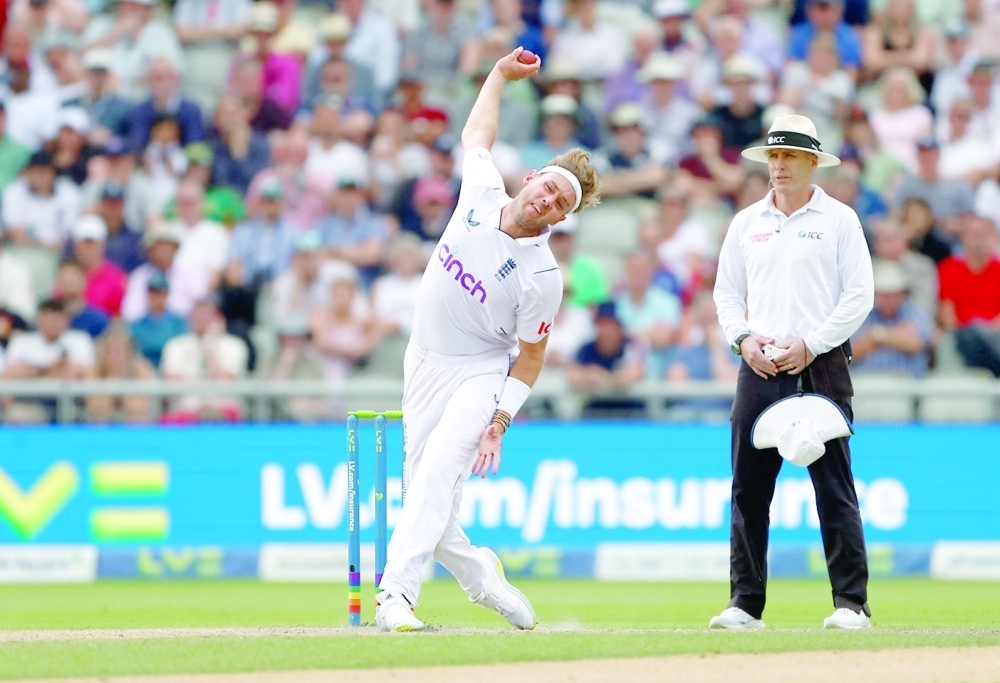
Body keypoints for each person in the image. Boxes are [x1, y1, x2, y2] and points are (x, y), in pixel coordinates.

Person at [375, 47, 600, 633]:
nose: (546, 201)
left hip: (481, 372)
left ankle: (394, 596)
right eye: (547, 187)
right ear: (531, 179)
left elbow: (530, 358)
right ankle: (484, 580)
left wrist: (498, 422)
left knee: (436, 475)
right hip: (422, 362)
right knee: (434, 500)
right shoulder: (481, 191)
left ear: (560, 219)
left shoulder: (542, 277)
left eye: (559, 204)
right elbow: (478, 132)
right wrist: (499, 74)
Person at [712, 114, 874, 630]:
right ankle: (744, 605)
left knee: (833, 488)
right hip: (758, 368)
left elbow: (859, 296)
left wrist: (812, 343)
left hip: (821, 364)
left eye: (789, 158)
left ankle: (851, 605)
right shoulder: (746, 223)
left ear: (811, 163)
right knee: (748, 490)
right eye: (773, 157)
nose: (778, 166)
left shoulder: (839, 219)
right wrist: (743, 340)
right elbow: (726, 296)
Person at [938, 214, 1000, 376]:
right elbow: (947, 314)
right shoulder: (948, 269)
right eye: (973, 235)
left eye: (983, 235)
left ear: (992, 237)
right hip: (962, 335)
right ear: (963, 238)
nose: (978, 241)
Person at [851, 259, 933, 377]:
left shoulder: (916, 313)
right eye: (883, 294)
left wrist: (875, 336)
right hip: (867, 385)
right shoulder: (861, 315)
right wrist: (897, 335)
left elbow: (915, 344)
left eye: (893, 293)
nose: (888, 299)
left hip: (909, 385)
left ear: (903, 293)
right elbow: (851, 354)